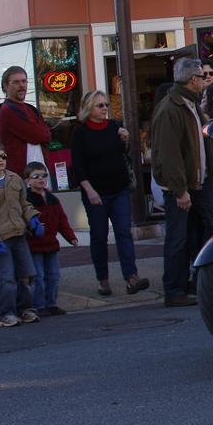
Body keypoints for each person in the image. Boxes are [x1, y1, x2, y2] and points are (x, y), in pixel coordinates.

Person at [152, 58, 213, 305]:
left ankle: (200, 277)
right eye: (201, 76)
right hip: (182, 186)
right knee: (178, 238)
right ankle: (174, 290)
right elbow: (168, 153)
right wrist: (180, 190)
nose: (205, 81)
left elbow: (203, 144)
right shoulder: (170, 108)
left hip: (200, 182)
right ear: (192, 79)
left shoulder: (192, 105)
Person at [70, 91, 149, 297]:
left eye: (105, 104)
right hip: (96, 192)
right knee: (99, 236)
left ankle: (131, 277)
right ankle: (102, 279)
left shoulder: (114, 127)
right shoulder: (81, 134)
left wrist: (126, 140)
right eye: (99, 105)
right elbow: (78, 167)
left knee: (124, 232)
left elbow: (123, 154)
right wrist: (89, 190)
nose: (104, 108)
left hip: (119, 189)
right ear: (89, 108)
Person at [0, 141, 41, 327]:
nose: (1, 160)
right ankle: (6, 312)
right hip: (1, 238)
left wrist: (33, 219)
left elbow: (24, 205)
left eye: (3, 156)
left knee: (27, 274)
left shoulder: (14, 179)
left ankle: (26, 309)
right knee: (6, 278)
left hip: (19, 234)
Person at [24, 161, 78, 317]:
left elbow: (62, 220)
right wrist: (31, 227)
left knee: (53, 275)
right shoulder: (26, 200)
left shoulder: (52, 199)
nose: (41, 179)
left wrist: (70, 237)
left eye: (44, 175)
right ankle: (38, 305)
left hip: (51, 244)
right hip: (34, 245)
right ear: (28, 180)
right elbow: (22, 220)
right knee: (38, 277)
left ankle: (51, 303)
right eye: (36, 176)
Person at [0, 66, 52, 177]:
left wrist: (44, 133)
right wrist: (43, 132)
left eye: (24, 81)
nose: (21, 85)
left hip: (39, 174)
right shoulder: (8, 110)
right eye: (16, 82)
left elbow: (48, 135)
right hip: (22, 177)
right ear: (6, 86)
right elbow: (39, 135)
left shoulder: (30, 108)